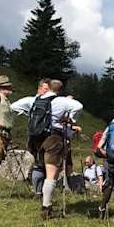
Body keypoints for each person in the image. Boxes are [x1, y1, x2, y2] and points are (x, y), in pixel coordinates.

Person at [11, 79, 83, 219]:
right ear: (60, 89)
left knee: (39, 166)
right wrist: (70, 119)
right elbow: (79, 106)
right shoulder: (61, 101)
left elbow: (13, 106)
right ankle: (46, 207)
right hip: (53, 138)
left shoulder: (34, 100)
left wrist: (29, 115)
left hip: (36, 138)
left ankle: (38, 194)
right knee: (51, 175)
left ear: (48, 87)